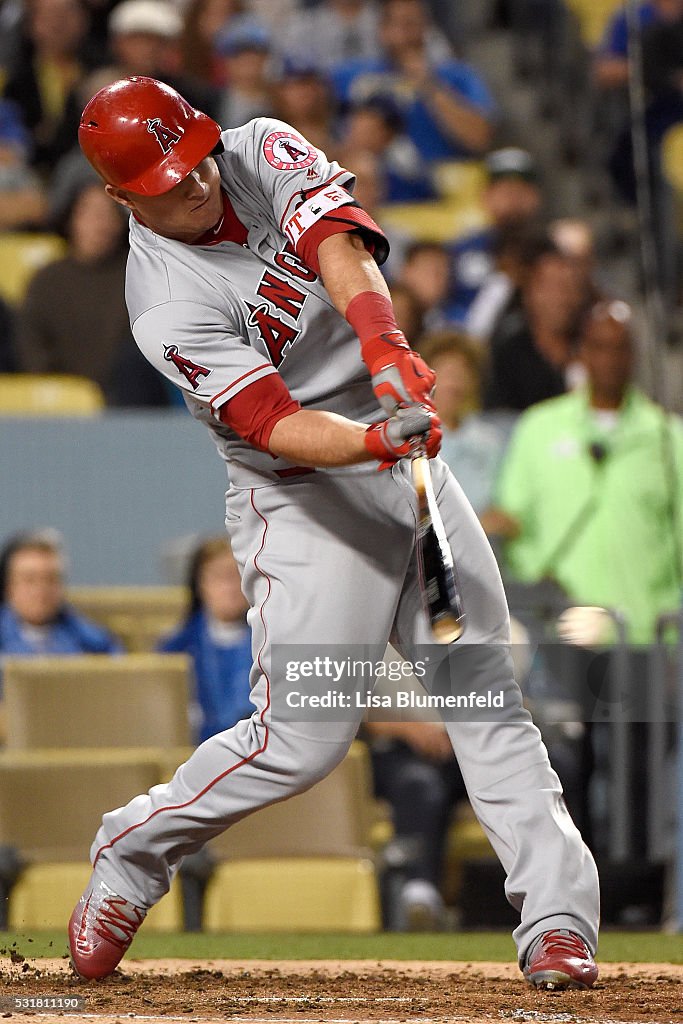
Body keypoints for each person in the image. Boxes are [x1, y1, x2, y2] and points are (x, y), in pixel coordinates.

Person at [69, 75, 599, 990]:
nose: (193, 184)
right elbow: (272, 423)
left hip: (401, 460)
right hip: (300, 494)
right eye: (164, 180)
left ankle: (556, 921)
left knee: (483, 694)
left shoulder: (257, 146)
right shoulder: (162, 304)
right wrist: (370, 438)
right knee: (302, 741)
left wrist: (386, 346)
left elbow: (336, 243)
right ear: (121, 198)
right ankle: (131, 850)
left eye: (191, 158)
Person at [489, 300, 683, 646]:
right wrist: (536, 576)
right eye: (600, 346)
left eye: (620, 348)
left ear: (634, 355)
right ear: (582, 352)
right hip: (562, 630)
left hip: (647, 632)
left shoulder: (669, 438)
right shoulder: (539, 428)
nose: (610, 358)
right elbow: (513, 518)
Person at [332, 0, 495, 164]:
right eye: (401, 25)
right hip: (368, 179)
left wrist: (429, 85)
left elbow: (480, 139)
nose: (407, 34)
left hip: (438, 180)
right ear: (383, 30)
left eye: (414, 24)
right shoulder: (352, 75)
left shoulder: (456, 75)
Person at [158, 537, 253, 744]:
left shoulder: (273, 643)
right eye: (220, 577)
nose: (230, 588)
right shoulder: (174, 649)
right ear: (200, 584)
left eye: (237, 576)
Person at [484, 247, 587, 413]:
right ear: (529, 293)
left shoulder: (593, 347)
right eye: (552, 287)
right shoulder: (508, 355)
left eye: (570, 286)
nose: (562, 297)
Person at [418, 331, 506, 517]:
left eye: (462, 373)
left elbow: (501, 501)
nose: (453, 383)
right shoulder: (408, 437)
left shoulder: (490, 440)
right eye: (446, 372)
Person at [0, 533, 121, 667]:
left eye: (50, 580)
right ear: (9, 587)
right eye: (30, 580)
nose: (40, 590)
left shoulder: (91, 641)